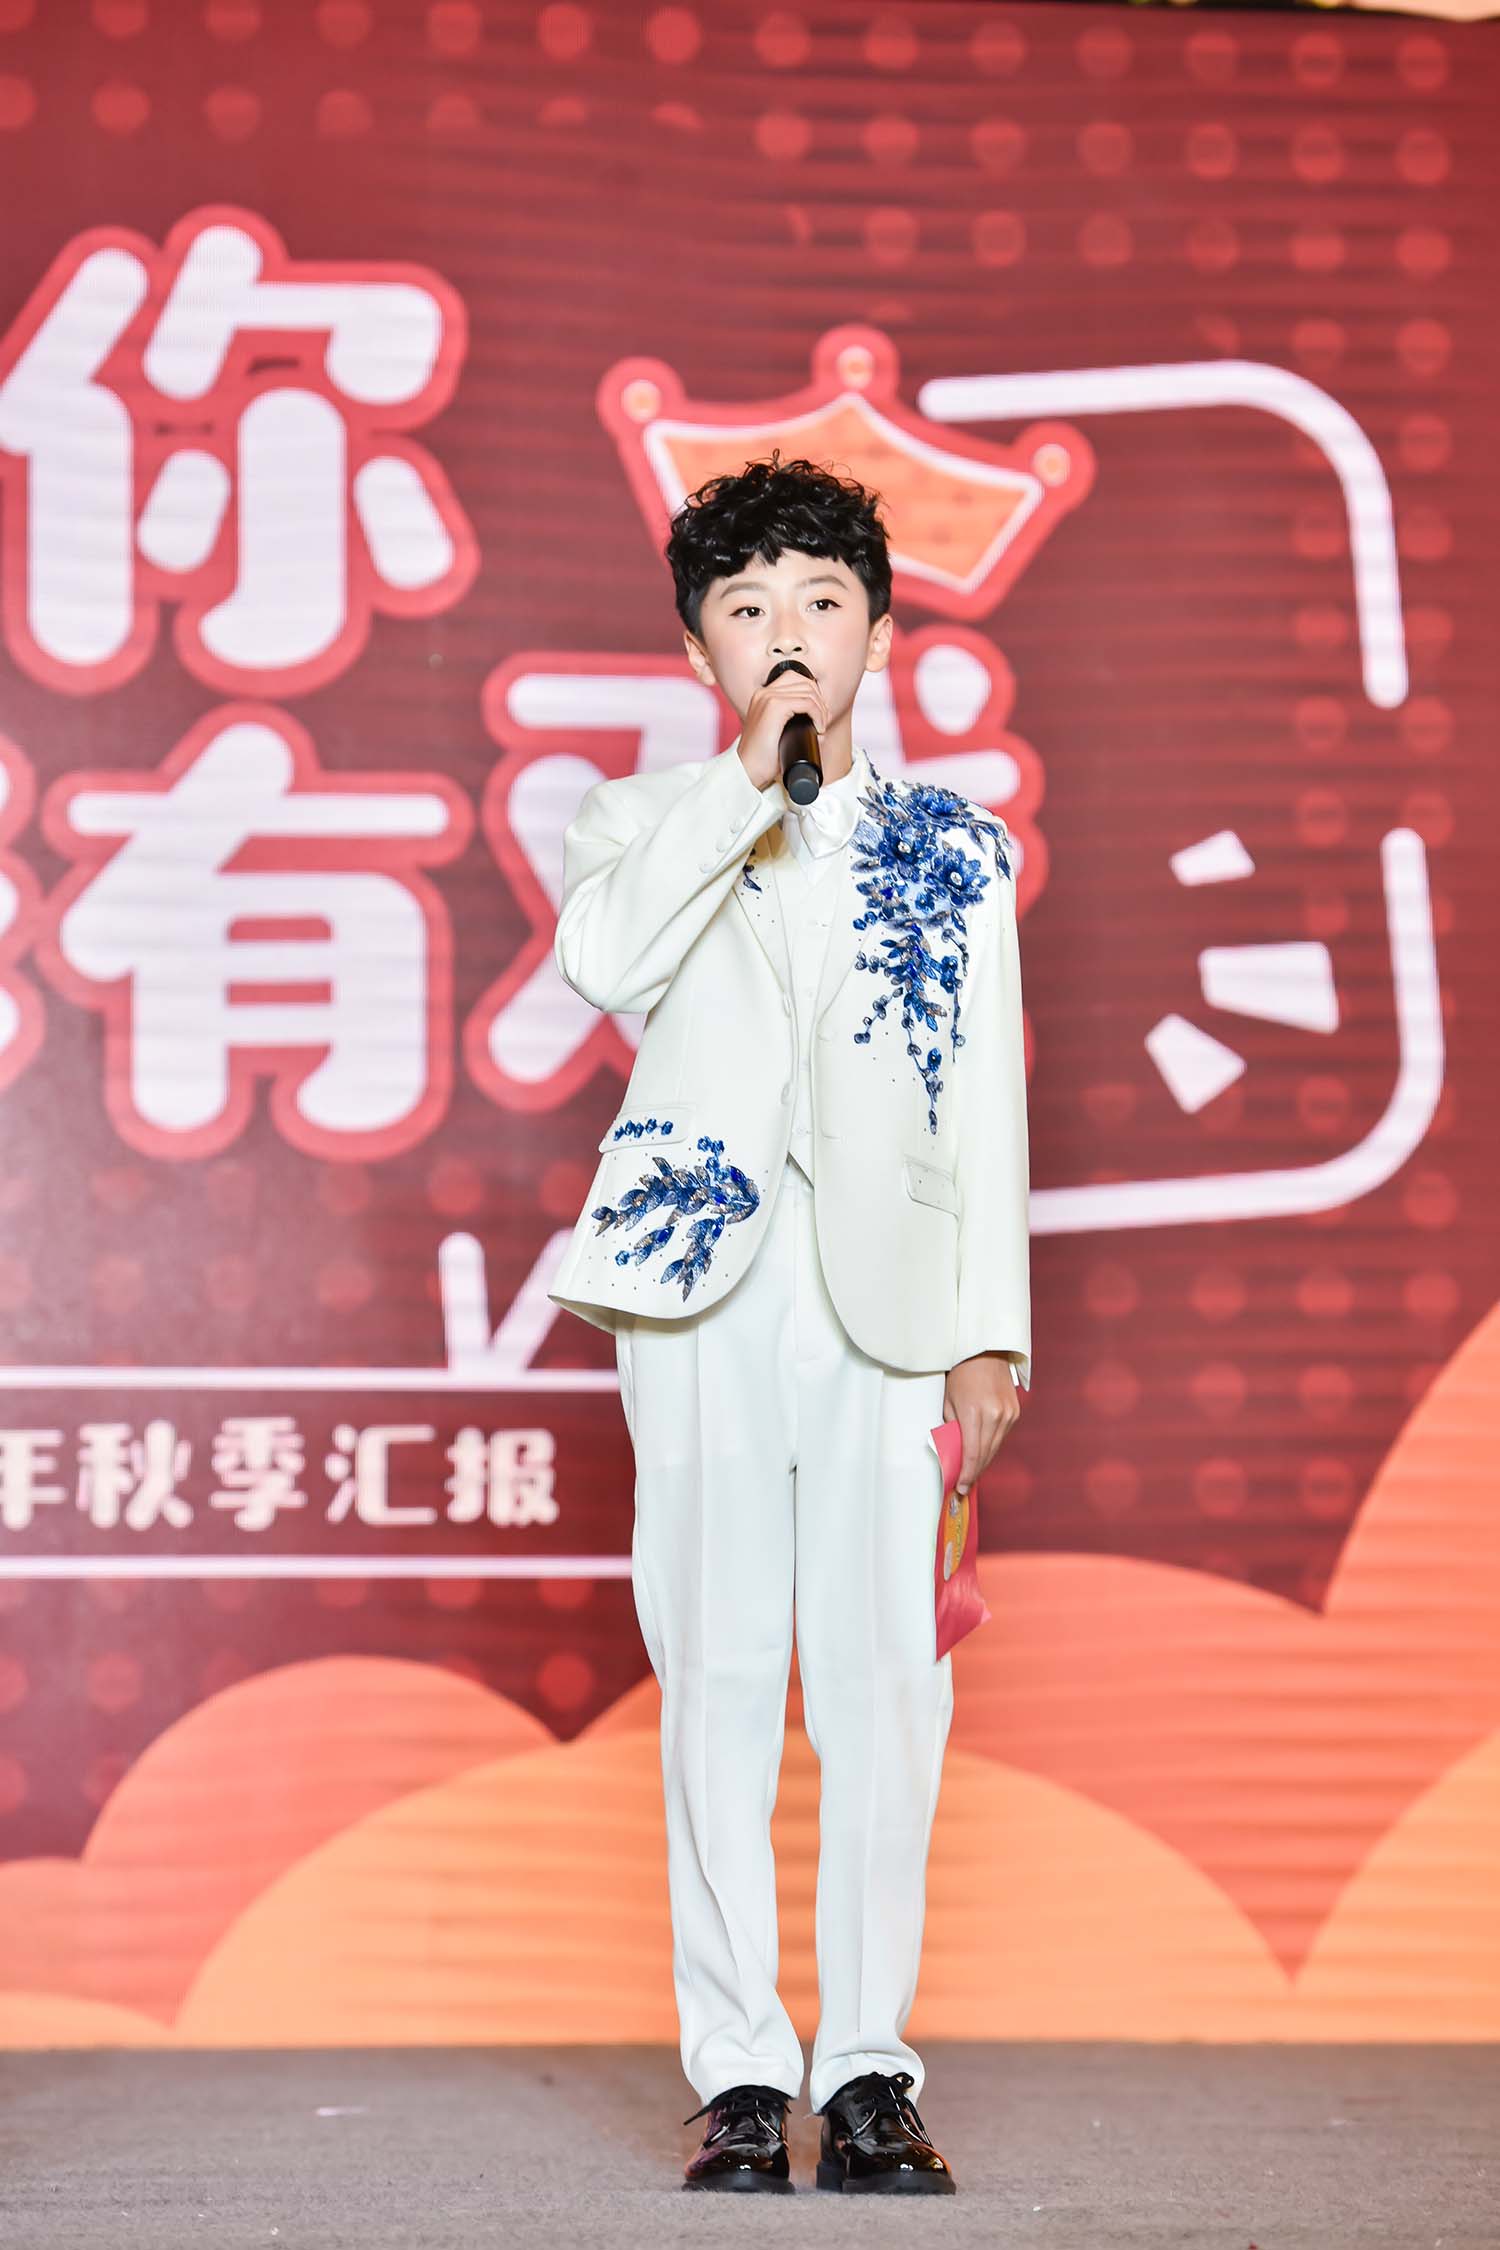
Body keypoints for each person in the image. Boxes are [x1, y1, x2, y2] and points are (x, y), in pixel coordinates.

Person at [548, 451, 1031, 2195]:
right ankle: (742, 2070)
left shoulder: (955, 846)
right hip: (699, 1292)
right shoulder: (640, 820)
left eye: (822, 601)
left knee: (890, 1686)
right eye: (747, 608)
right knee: (721, 1670)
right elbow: (605, 963)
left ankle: (872, 2067)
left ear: (879, 631)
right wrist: (743, 784)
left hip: (894, 1304)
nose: (788, 633)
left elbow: (988, 1100)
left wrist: (993, 1330)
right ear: (703, 652)